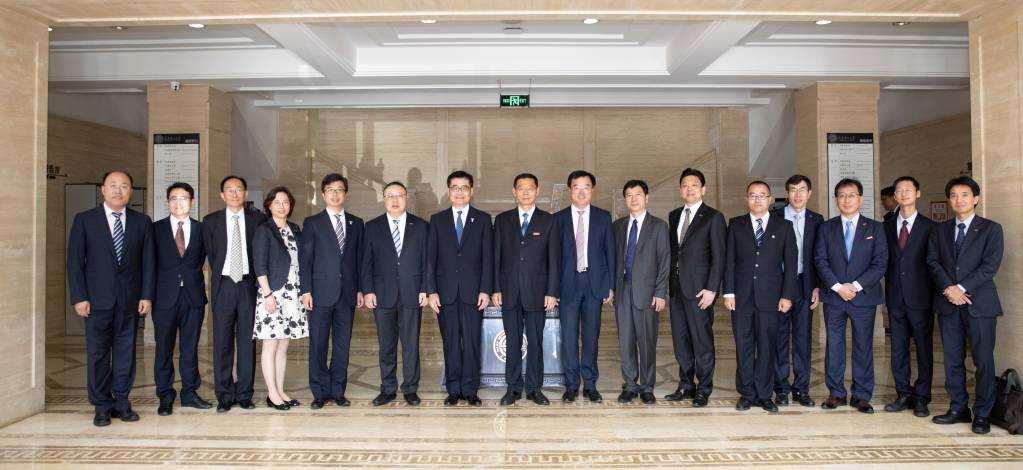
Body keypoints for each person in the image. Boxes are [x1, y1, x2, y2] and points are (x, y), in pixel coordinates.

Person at [67, 170, 154, 427]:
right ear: (103, 190)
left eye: (124, 186)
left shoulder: (142, 222)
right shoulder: (85, 220)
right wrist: (79, 297)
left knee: (126, 353)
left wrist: (146, 295)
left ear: (130, 191)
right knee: (98, 355)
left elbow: (148, 262)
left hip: (129, 300)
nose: (118, 190)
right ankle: (101, 406)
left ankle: (122, 402)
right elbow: (75, 262)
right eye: (113, 185)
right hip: (96, 301)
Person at [927, 176, 1003, 435]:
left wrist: (961, 288)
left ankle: (982, 413)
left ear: (976, 199)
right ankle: (958, 407)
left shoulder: (991, 229)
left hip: (980, 304)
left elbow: (990, 266)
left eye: (964, 195)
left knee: (983, 360)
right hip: (949, 303)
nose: (958, 200)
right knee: (952, 360)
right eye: (954, 195)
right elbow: (932, 262)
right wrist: (949, 289)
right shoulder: (940, 230)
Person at [723, 181, 797, 413]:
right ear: (747, 199)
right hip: (741, 298)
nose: (757, 200)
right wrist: (728, 292)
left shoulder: (784, 226)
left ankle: (765, 395)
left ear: (770, 199)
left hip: (771, 298)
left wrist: (787, 295)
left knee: (767, 347)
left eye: (762, 195)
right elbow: (729, 261)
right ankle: (747, 393)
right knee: (743, 346)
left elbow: (791, 263)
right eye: (753, 195)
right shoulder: (736, 224)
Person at [814, 178, 887, 414]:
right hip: (834, 297)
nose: (846, 200)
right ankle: (836, 392)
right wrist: (837, 287)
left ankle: (862, 395)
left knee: (863, 346)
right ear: (835, 200)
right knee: (834, 345)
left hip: (863, 297)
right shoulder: (826, 227)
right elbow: (820, 260)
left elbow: (880, 263)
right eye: (842, 195)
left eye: (851, 195)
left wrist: (854, 286)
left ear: (861, 199)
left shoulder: (875, 228)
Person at [426, 171, 493, 407]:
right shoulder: (437, 220)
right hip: (445, 293)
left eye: (464, 188)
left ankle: (470, 389)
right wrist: (432, 291)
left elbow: (488, 258)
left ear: (471, 191)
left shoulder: (483, 219)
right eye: (455, 187)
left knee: (472, 342)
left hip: (474, 293)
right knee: (451, 342)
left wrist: (485, 289)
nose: (460, 192)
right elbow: (430, 259)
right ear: (448, 191)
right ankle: (454, 389)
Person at [493, 173, 560, 406]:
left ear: (537, 191)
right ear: (514, 192)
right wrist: (495, 289)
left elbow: (554, 259)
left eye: (530, 188)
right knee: (512, 341)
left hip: (538, 293)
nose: (525, 192)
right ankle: (512, 388)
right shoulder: (502, 220)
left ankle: (534, 388)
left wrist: (552, 292)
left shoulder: (549, 221)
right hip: (509, 291)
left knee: (535, 341)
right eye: (521, 188)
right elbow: (496, 257)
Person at [361, 181, 429, 407]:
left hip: (412, 292)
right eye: (390, 195)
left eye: (399, 195)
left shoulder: (421, 226)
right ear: (384, 199)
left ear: (406, 198)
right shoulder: (372, 227)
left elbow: (427, 261)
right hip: (382, 294)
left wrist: (425, 288)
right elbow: (366, 263)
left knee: (411, 345)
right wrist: (368, 290)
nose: (395, 200)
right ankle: (388, 388)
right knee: (386, 345)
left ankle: (410, 388)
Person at [202, 175, 266, 412]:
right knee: (222, 342)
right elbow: (211, 255)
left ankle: (245, 393)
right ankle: (225, 394)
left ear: (245, 193)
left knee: (247, 342)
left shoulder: (258, 220)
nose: (235, 193)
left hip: (249, 286)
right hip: (224, 285)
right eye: (230, 189)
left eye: (239, 189)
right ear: (222, 195)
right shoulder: (211, 221)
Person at [299, 173, 364, 409]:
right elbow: (305, 260)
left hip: (347, 293)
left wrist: (360, 289)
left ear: (345, 193)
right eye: (330, 190)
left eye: (339, 190)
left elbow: (359, 259)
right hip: (319, 293)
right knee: (318, 344)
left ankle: (338, 391)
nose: (335, 194)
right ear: (323, 194)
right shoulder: (312, 223)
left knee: (342, 345)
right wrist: (306, 290)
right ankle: (319, 392)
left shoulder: (356, 223)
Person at [665, 168, 726, 407]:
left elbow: (719, 257)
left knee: (702, 341)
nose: (689, 189)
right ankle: (686, 385)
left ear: (703, 189)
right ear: (680, 190)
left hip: (701, 291)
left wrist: (712, 289)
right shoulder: (673, 215)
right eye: (685, 185)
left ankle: (704, 388)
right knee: (681, 340)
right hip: (677, 289)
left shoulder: (713, 217)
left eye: (694, 185)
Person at [555, 170, 615, 403]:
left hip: (594, 284)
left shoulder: (603, 217)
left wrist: (610, 286)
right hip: (567, 286)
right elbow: (553, 258)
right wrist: (552, 289)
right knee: (569, 337)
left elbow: (610, 252)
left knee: (591, 337)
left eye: (586, 187)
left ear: (592, 190)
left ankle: (590, 385)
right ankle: (571, 385)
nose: (581, 192)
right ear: (570, 190)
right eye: (576, 187)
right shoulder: (558, 219)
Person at [151, 182, 211, 416]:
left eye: (183, 198)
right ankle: (165, 396)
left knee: (190, 348)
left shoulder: (201, 229)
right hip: (164, 298)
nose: (179, 203)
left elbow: (203, 259)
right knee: (163, 349)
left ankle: (189, 393)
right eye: (174, 198)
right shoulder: (155, 229)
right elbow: (149, 264)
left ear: (191, 202)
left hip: (193, 298)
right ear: (168, 202)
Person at [882, 176, 935, 418]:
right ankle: (903, 393)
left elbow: (934, 262)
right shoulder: (885, 226)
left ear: (917, 193)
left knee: (924, 348)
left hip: (921, 297)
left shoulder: (930, 227)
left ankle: (922, 396)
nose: (903, 194)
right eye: (899, 191)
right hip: (895, 297)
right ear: (894, 196)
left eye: (908, 189)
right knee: (898, 348)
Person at [613, 180, 670, 405]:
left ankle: (647, 387)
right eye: (629, 195)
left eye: (638, 194)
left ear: (647, 198)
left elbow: (664, 261)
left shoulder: (659, 226)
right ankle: (630, 385)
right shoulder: (618, 226)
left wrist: (660, 292)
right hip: (623, 290)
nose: (633, 199)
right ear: (625, 199)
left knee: (646, 342)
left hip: (648, 293)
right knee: (625, 341)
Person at [253, 187, 308, 411]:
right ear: (269, 205)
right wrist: (267, 294)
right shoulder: (263, 230)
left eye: (285, 202)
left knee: (283, 345)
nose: (282, 206)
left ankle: (280, 390)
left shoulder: (294, 229)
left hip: (293, 293)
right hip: (273, 293)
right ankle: (272, 393)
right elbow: (260, 265)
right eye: (277, 202)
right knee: (271, 345)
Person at [772, 175, 823, 408]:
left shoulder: (817, 220)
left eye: (802, 190)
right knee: (779, 338)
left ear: (809, 193)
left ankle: (802, 389)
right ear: (787, 193)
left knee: (803, 339)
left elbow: (820, 255)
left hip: (805, 285)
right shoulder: (774, 217)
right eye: (793, 190)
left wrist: (817, 286)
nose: (798, 194)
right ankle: (781, 388)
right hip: (780, 285)